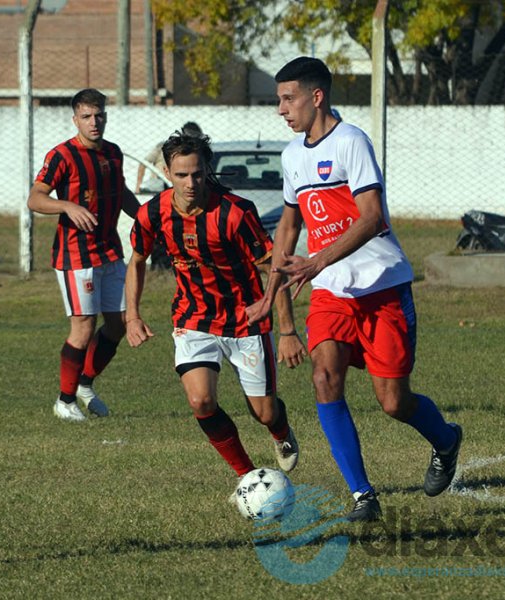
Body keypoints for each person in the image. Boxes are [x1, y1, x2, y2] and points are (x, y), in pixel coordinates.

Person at [247, 57, 462, 522]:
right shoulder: (291, 155)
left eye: (288, 98)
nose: (281, 109)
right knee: (324, 378)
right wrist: (271, 295)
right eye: (278, 100)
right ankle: (363, 495)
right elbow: (288, 226)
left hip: (382, 287)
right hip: (330, 291)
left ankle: (445, 439)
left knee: (393, 402)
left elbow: (371, 216)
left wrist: (318, 258)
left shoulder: (351, 142)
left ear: (316, 96)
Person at [126, 130, 302, 487]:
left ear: (207, 170)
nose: (191, 183)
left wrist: (287, 331)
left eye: (197, 174)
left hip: (246, 320)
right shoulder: (152, 214)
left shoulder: (236, 212)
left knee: (264, 412)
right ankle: (249, 477)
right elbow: (137, 260)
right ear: (166, 172)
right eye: (181, 175)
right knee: (200, 400)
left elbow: (273, 267)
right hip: (194, 319)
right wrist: (132, 315)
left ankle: (279, 430)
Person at [28, 88, 140, 422]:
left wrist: (150, 220)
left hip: (109, 251)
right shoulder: (62, 155)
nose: (95, 122)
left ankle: (85, 385)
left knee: (119, 324)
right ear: (75, 118)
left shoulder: (113, 153)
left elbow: (122, 195)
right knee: (84, 328)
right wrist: (65, 205)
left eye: (100, 115)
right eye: (87, 116)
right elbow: (35, 198)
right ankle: (64, 401)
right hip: (76, 255)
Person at [134, 121, 203, 194]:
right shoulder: (163, 147)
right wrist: (138, 185)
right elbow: (143, 163)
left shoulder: (201, 152)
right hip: (159, 188)